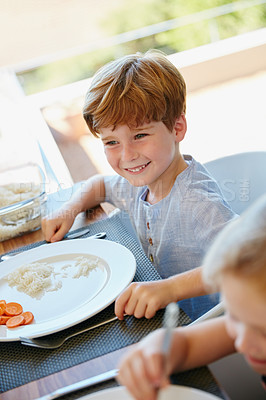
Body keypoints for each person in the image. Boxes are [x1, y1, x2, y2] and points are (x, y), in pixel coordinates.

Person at [42, 50, 236, 320]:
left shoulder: (198, 202)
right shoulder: (139, 183)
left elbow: (245, 259)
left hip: (214, 329)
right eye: (111, 142)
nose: (127, 155)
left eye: (140, 135)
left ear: (177, 128)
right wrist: (69, 209)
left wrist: (167, 289)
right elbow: (100, 185)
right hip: (166, 315)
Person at [117, 195, 266, 399]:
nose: (241, 344)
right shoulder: (252, 325)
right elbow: (188, 345)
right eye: (234, 316)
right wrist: (156, 349)